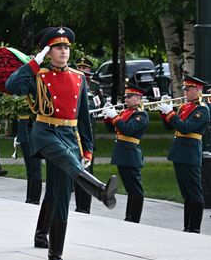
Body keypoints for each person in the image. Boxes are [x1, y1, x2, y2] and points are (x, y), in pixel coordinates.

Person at [6, 26, 117, 260]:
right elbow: (12, 85)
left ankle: (55, 257)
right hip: (45, 132)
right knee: (67, 160)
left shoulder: (79, 78)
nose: (64, 51)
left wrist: (88, 150)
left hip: (70, 135)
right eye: (58, 47)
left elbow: (84, 119)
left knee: (61, 196)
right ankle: (99, 190)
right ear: (48, 51)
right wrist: (35, 62)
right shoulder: (38, 74)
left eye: (66, 47)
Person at [157, 75, 210, 233]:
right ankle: (187, 227)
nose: (185, 92)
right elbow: (170, 126)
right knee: (186, 193)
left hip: (191, 152)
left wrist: (171, 114)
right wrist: (164, 112)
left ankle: (194, 228)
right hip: (179, 152)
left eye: (189, 89)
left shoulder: (202, 109)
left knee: (194, 192)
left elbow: (185, 127)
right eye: (185, 89)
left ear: (198, 90)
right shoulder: (185, 107)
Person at [102, 83, 149, 223]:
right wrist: (107, 117)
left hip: (131, 154)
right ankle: (129, 217)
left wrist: (115, 117)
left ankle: (134, 218)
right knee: (130, 189)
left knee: (136, 189)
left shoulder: (141, 115)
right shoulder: (126, 112)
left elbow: (128, 129)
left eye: (129, 97)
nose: (126, 99)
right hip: (122, 154)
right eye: (126, 97)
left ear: (138, 98)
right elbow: (113, 129)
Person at [72, 57, 98, 214]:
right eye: (80, 67)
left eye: (85, 68)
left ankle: (85, 207)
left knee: (87, 170)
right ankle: (78, 205)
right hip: (75, 134)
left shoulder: (95, 87)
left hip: (88, 133)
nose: (83, 70)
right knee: (76, 170)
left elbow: (97, 106)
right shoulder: (74, 83)